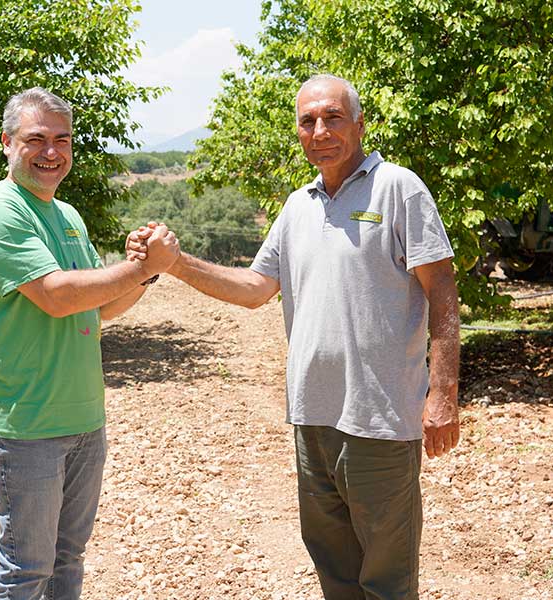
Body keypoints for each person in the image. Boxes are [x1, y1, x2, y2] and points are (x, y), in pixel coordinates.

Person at [131, 74, 460, 599]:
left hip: (380, 419)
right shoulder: (297, 205)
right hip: (312, 415)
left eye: (332, 118)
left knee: (388, 578)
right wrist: (174, 264)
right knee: (334, 568)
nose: (320, 130)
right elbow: (254, 288)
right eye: (308, 121)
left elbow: (441, 289)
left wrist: (442, 394)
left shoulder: (398, 188)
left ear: (359, 124)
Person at [0, 87, 178, 600]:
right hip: (24, 423)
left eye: (62, 139)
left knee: (67, 560)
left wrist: (139, 277)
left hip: (82, 419)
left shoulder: (68, 216)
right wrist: (143, 265)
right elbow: (56, 296)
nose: (51, 151)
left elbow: (96, 309)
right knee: (26, 570)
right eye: (36, 139)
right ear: (7, 143)